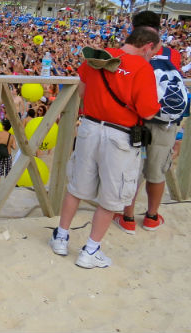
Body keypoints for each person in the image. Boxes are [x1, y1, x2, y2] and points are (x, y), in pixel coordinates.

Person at [48, 26, 160, 269]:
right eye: (153, 53)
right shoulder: (142, 68)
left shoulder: (98, 56)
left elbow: (82, 91)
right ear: (147, 46)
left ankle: (61, 237)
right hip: (120, 136)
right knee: (111, 197)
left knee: (77, 187)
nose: (151, 57)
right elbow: (148, 110)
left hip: (89, 127)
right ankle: (90, 250)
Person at [113, 11, 188, 234]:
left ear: (134, 28)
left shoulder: (130, 51)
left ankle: (127, 217)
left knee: (131, 168)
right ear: (159, 28)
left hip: (135, 118)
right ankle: (152, 217)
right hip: (164, 121)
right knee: (157, 171)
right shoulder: (172, 54)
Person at [0, 119, 17, 187]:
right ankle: (5, 188)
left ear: (3, 126)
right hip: (8, 156)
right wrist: (8, 144)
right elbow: (14, 147)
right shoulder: (12, 136)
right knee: (7, 173)